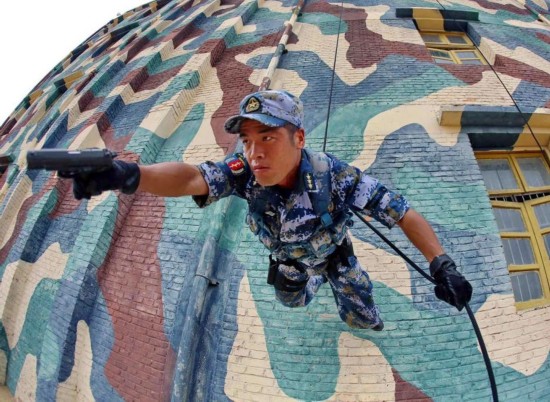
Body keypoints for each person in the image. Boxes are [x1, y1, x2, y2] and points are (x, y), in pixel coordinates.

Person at [63, 90, 472, 330]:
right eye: (246, 140)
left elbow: (403, 213)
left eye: (267, 137)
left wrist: (443, 266)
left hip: (335, 256)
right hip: (290, 262)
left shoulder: (336, 176)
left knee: (362, 309)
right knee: (292, 301)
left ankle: (348, 301)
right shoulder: (244, 173)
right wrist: (129, 175)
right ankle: (310, 284)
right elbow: (192, 178)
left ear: (299, 138)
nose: (254, 152)